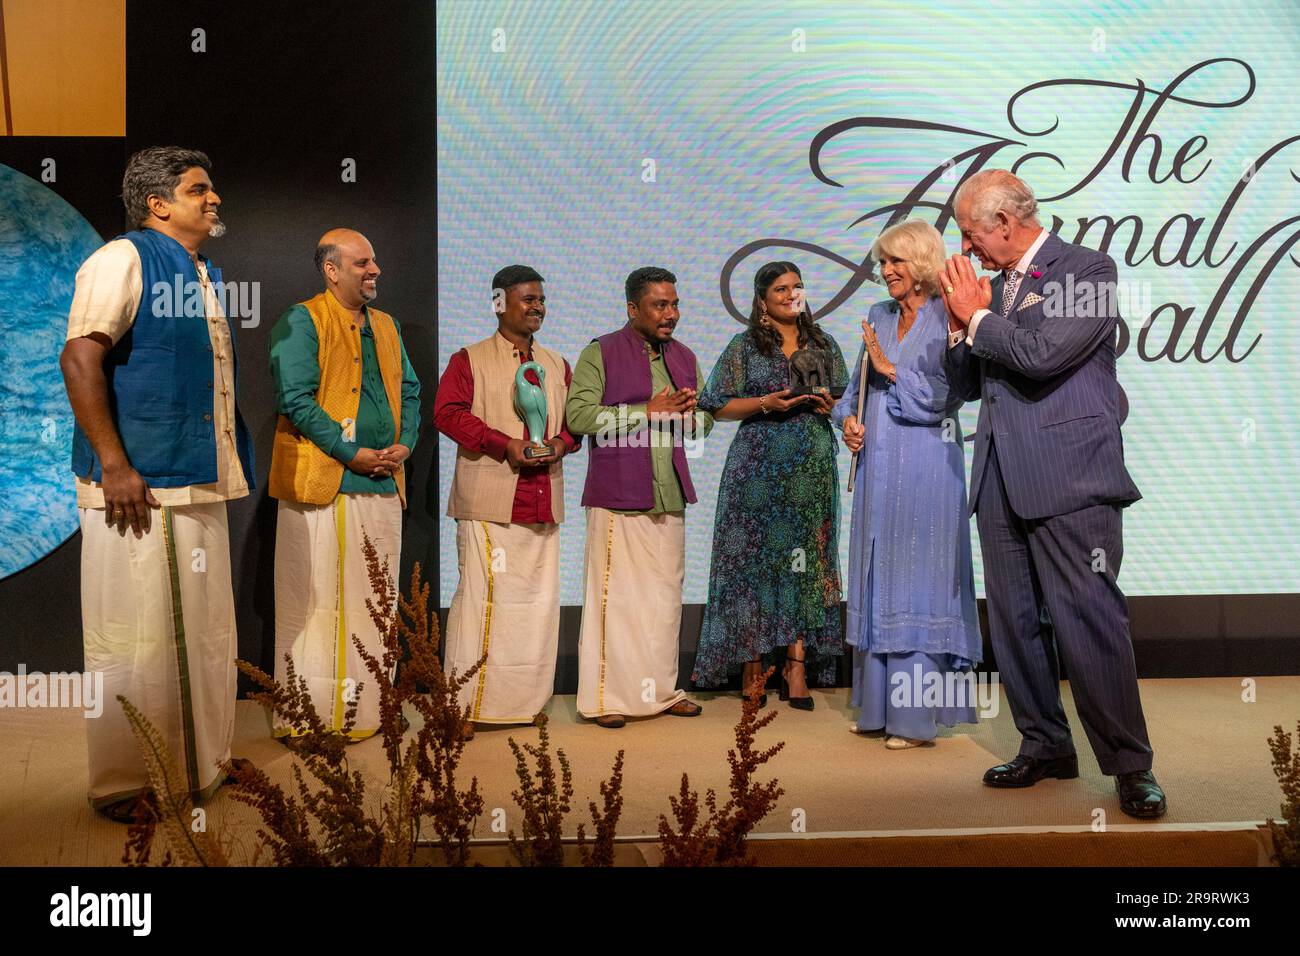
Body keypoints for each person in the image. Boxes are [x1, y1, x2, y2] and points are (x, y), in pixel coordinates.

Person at [939, 169, 1165, 817]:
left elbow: (1041, 355)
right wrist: (961, 329)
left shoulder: (1089, 271)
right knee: (1014, 627)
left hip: (1072, 475)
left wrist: (974, 315)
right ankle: (1045, 744)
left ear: (1007, 223)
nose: (967, 246)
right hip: (1000, 478)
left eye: (972, 232)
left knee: (1088, 622)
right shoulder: (992, 288)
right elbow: (966, 386)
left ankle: (1130, 766)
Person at [60, 146, 255, 822]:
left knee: (201, 634)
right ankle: (127, 780)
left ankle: (202, 763)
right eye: (201, 189)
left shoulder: (199, 271)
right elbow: (81, 356)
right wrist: (115, 465)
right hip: (141, 488)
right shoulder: (123, 259)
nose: (215, 199)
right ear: (157, 203)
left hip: (195, 483)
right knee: (136, 638)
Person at [831, 220, 982, 747]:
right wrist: (847, 422)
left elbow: (952, 398)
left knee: (920, 579)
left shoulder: (949, 315)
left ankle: (915, 720)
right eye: (882, 263)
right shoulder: (878, 314)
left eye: (894, 261)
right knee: (879, 577)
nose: (885, 272)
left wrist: (892, 370)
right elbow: (856, 388)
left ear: (920, 263)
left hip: (928, 465)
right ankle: (877, 710)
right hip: (877, 468)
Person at [268, 229, 420, 742]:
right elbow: (296, 399)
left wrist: (405, 444)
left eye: (375, 261)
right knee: (318, 604)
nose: (374, 269)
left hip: (383, 484)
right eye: (361, 262)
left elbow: (413, 393)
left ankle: (370, 709)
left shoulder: (388, 325)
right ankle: (313, 717)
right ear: (332, 270)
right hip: (324, 483)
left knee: (373, 602)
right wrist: (349, 450)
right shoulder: (303, 319)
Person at [691, 261, 846, 710]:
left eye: (797, 287)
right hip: (756, 469)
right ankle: (752, 667)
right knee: (752, 567)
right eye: (781, 288)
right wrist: (765, 402)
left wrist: (828, 405)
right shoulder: (744, 347)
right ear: (762, 299)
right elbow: (716, 406)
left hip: (811, 467)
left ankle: (796, 670)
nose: (791, 295)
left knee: (806, 566)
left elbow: (844, 400)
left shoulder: (823, 343)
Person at [435, 265, 579, 738]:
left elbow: (575, 423)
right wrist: (504, 444)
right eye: (528, 299)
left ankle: (521, 704)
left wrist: (559, 443)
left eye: (541, 299)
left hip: (543, 499)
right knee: (481, 605)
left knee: (535, 607)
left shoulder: (557, 363)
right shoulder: (469, 359)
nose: (537, 306)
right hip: (490, 499)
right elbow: (447, 414)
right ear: (500, 303)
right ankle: (461, 707)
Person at [566, 267, 710, 728]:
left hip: (669, 494)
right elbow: (581, 418)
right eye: (660, 305)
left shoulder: (684, 357)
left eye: (674, 304)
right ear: (633, 309)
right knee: (616, 601)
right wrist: (645, 411)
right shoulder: (601, 351)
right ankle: (605, 698)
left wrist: (690, 417)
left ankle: (663, 692)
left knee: (665, 599)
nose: (671, 314)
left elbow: (705, 421)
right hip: (618, 494)